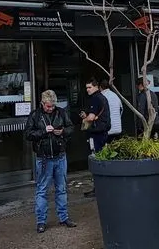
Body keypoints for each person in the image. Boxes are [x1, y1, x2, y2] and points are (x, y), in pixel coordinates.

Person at [24, 90, 77, 233]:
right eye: (48, 106)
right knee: (42, 190)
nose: (51, 108)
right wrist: (43, 132)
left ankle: (64, 217)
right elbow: (27, 134)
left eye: (52, 106)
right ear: (42, 103)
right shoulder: (35, 115)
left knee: (62, 188)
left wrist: (63, 132)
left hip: (60, 155)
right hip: (44, 157)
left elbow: (71, 127)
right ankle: (41, 221)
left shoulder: (61, 112)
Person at [79, 78, 110, 198]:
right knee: (101, 158)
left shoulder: (96, 98)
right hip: (102, 131)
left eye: (89, 87)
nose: (87, 90)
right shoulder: (102, 98)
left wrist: (84, 119)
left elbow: (91, 117)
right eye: (86, 87)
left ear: (96, 87)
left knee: (97, 159)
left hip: (97, 132)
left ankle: (99, 187)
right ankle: (101, 186)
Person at [100, 78, 124, 144]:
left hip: (107, 129)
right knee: (115, 149)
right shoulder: (115, 95)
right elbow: (121, 109)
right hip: (118, 128)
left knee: (106, 150)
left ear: (100, 87)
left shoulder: (101, 97)